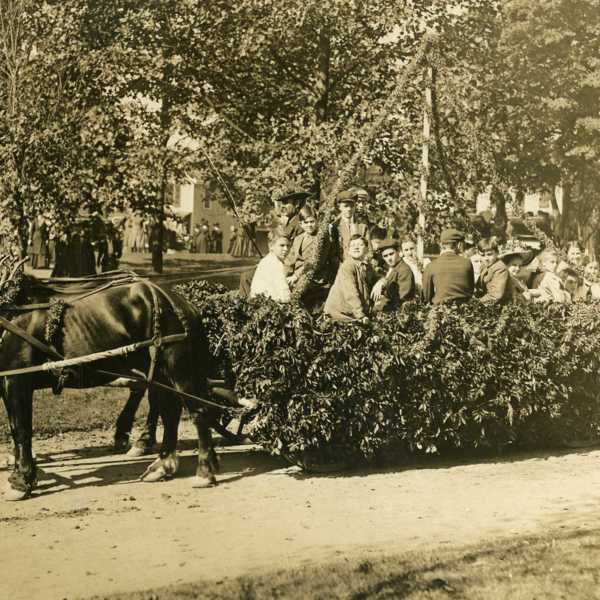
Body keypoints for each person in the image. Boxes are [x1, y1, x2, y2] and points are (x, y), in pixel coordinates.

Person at [286, 206, 337, 309]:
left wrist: (296, 275)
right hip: (297, 281)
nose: (309, 225)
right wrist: (286, 275)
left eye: (312, 222)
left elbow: (316, 262)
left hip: (316, 281)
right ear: (301, 224)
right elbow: (290, 259)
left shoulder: (322, 239)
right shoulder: (298, 239)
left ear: (317, 221)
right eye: (306, 222)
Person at [324, 234, 377, 322]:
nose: (356, 248)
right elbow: (351, 293)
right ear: (348, 251)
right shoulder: (347, 266)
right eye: (352, 245)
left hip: (353, 313)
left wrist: (380, 283)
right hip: (340, 314)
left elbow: (376, 278)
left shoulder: (367, 266)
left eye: (360, 245)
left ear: (367, 249)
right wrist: (360, 315)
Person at [422, 228, 474, 305]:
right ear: (459, 245)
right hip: (464, 311)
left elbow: (426, 296)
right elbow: (470, 289)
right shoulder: (467, 263)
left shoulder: (431, 266)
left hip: (440, 311)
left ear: (441, 245)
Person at [371, 239, 415, 312]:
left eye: (391, 254)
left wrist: (380, 304)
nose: (389, 258)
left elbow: (402, 299)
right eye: (385, 256)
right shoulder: (393, 268)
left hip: (399, 314)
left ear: (398, 252)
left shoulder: (404, 270)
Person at [249, 232, 292, 302]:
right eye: (282, 245)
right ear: (271, 246)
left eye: (288, 246)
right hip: (268, 304)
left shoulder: (268, 259)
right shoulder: (275, 263)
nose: (286, 249)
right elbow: (285, 296)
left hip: (259, 301)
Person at [330, 188, 370, 262]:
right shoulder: (334, 226)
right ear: (339, 207)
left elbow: (369, 249)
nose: (349, 209)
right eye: (346, 206)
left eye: (352, 206)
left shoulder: (362, 226)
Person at [475, 238, 514, 304]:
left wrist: (476, 303)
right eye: (482, 255)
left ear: (497, 253)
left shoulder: (500, 268)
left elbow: (495, 295)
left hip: (501, 306)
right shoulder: (484, 266)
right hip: (489, 302)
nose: (486, 258)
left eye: (489, 254)